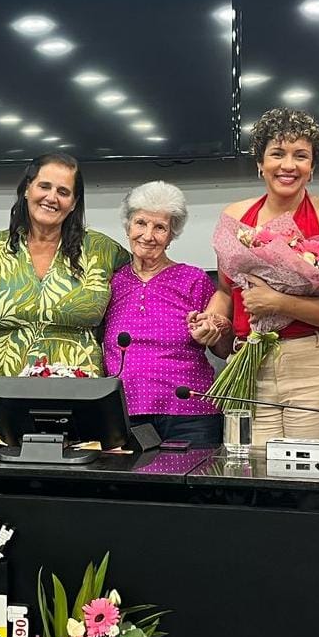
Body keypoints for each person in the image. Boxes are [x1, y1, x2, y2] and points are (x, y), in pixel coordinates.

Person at [204, 107, 319, 449]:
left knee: (315, 480)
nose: (288, 165)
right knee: (248, 478)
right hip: (248, 365)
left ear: (312, 166)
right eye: (277, 153)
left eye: (300, 156)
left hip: (316, 367)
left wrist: (279, 303)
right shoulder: (234, 217)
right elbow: (226, 291)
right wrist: (213, 319)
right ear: (260, 161)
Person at [0, 153, 130, 376]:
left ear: (74, 203)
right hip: (9, 392)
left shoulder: (104, 250)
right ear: (26, 190)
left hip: (82, 391)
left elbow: (146, 278)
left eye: (63, 192)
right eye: (44, 186)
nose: (51, 198)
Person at [101, 181, 222, 447]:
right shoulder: (110, 283)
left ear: (171, 235)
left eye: (160, 227)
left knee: (194, 488)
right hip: (126, 414)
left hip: (190, 415)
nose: (148, 235)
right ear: (127, 226)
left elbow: (223, 349)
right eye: (140, 223)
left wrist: (214, 330)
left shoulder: (194, 279)